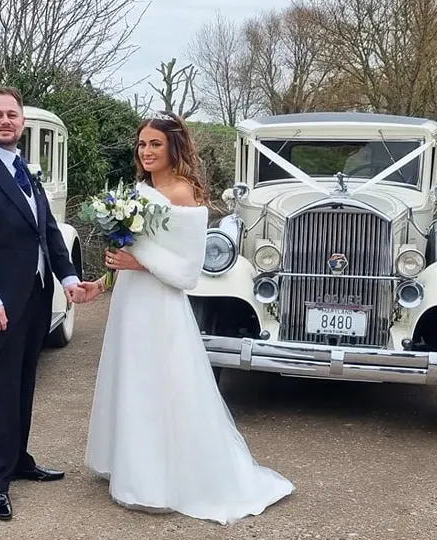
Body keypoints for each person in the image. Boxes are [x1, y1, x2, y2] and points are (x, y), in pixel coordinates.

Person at [79, 111, 295, 524]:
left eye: (155, 144)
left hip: (160, 306)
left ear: (173, 147)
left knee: (157, 386)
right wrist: (102, 282)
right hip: (129, 302)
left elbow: (187, 271)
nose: (146, 151)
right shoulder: (138, 190)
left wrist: (137, 260)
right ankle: (126, 463)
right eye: (142, 144)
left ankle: (158, 480)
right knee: (129, 379)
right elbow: (129, 251)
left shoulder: (183, 195)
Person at [0, 86, 95, 521]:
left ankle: (17, 460)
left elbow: (46, 230)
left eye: (13, 114)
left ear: (23, 122)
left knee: (24, 383)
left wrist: (68, 278)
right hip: (0, 304)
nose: (6, 121)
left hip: (34, 296)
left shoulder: (26, 172)